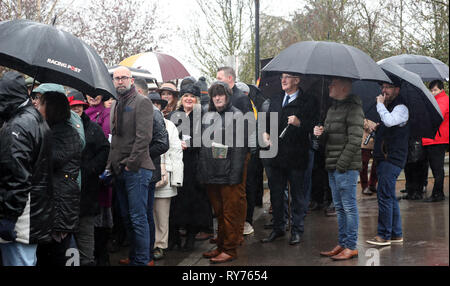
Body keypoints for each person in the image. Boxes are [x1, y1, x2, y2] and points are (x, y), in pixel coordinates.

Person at [0, 72, 52, 266]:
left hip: (22, 217)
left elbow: (17, 176)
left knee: (20, 261)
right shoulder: (33, 118)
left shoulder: (19, 125)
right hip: (32, 210)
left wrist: (9, 217)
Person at [260, 73, 318, 245]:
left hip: (297, 155)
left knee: (298, 195)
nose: (283, 80)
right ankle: (278, 227)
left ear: (297, 80)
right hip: (276, 155)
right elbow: (267, 122)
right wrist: (265, 134)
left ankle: (297, 230)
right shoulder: (276, 98)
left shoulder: (309, 100)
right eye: (282, 77)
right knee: (277, 194)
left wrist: (299, 123)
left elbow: (315, 125)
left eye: (287, 77)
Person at [107, 66, 155, 266]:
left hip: (136, 169)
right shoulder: (116, 104)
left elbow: (144, 138)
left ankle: (142, 260)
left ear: (132, 80)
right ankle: (136, 256)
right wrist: (111, 166)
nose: (119, 81)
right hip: (119, 169)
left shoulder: (142, 102)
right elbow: (115, 140)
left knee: (138, 218)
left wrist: (130, 165)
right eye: (116, 78)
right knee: (127, 219)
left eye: (123, 78)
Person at [198, 81, 249, 263]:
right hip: (212, 174)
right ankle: (220, 246)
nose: (218, 98)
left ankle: (230, 249)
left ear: (228, 96)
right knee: (219, 214)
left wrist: (234, 175)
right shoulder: (207, 115)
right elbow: (204, 147)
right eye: (215, 95)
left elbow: (239, 150)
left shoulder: (236, 115)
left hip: (228, 175)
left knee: (230, 214)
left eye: (221, 94)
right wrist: (204, 172)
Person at [314, 77, 364, 260]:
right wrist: (320, 134)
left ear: (344, 88)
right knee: (340, 208)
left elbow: (354, 139)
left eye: (332, 84)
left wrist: (342, 164)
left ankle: (351, 246)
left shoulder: (354, 108)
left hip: (345, 167)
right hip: (332, 165)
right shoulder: (332, 108)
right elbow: (328, 138)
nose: (329, 86)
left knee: (349, 207)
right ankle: (342, 243)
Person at [35, 90, 83, 266]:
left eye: (41, 103)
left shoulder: (63, 132)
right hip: (59, 195)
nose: (37, 106)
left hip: (60, 197)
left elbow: (52, 160)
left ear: (51, 108)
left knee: (59, 246)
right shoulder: (54, 129)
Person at [68, 91, 110, 266]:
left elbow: (104, 150)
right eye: (73, 106)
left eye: (80, 106)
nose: (77, 109)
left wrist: (90, 169)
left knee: (86, 239)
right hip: (67, 195)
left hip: (87, 193)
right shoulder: (61, 127)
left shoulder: (93, 128)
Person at [168, 83, 211, 252]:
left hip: (194, 164)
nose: (188, 99)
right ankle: (175, 237)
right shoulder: (174, 115)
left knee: (193, 201)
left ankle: (191, 238)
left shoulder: (202, 116)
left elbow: (206, 138)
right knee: (175, 201)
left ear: (197, 100)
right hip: (176, 163)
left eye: (192, 97)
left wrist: (189, 143)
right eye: (185, 96)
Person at [366, 79, 409, 246]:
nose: (384, 91)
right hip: (385, 158)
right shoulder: (390, 107)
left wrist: (380, 105)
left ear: (397, 89)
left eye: (388, 87)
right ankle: (396, 234)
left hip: (392, 158)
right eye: (382, 87)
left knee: (384, 195)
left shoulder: (401, 107)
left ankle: (384, 235)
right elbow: (389, 124)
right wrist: (379, 129)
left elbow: (391, 121)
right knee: (389, 196)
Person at [148, 92, 184, 260]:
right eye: (151, 103)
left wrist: (176, 178)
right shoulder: (141, 123)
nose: (155, 107)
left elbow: (176, 153)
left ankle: (160, 245)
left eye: (157, 104)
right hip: (146, 173)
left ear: (161, 107)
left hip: (165, 176)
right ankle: (147, 244)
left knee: (162, 214)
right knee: (146, 214)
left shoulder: (170, 126)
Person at [422, 80, 448, 202]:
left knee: (437, 168)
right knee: (435, 167)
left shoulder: (442, 100)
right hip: (433, 139)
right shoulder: (435, 100)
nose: (433, 93)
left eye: (435, 90)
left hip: (438, 139)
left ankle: (438, 194)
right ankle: (438, 193)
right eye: (431, 90)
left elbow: (437, 116)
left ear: (441, 89)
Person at [360, 118, 378, 196]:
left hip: (377, 140)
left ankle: (372, 184)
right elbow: (361, 120)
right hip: (365, 140)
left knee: (376, 164)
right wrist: (369, 128)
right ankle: (364, 186)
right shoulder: (364, 108)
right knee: (364, 164)